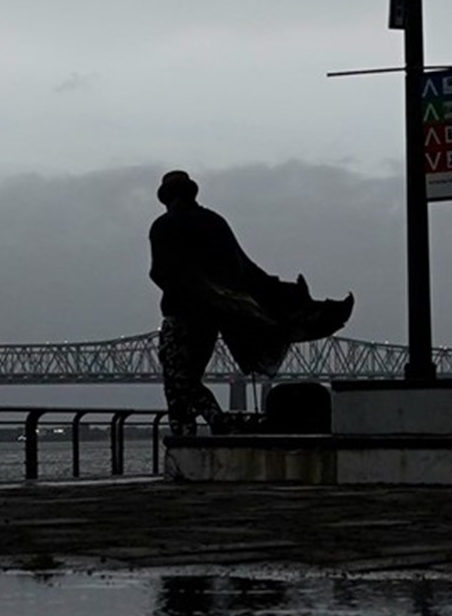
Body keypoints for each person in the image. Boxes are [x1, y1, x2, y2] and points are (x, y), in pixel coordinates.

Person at [147, 170, 351, 436]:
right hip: (210, 321)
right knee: (187, 379)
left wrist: (192, 290)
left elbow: (160, 273)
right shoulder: (214, 223)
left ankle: (198, 428)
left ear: (167, 198)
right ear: (191, 193)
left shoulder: (163, 226)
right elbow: (245, 270)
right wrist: (280, 293)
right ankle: (214, 422)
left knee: (177, 380)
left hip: (179, 317)